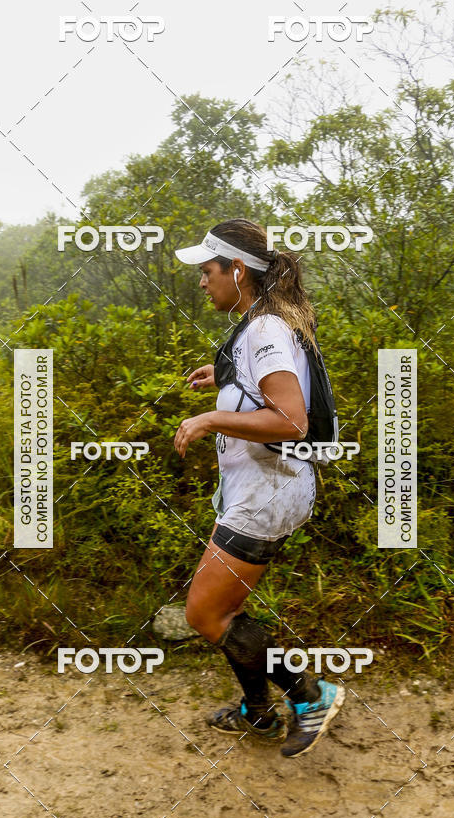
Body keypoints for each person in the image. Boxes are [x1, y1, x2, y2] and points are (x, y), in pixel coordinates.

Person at [173, 218, 345, 758]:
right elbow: (264, 388)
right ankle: (256, 712)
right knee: (224, 612)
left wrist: (209, 420)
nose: (202, 282)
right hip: (259, 491)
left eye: (207, 271)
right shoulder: (258, 326)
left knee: (206, 614)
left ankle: (311, 694)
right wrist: (223, 378)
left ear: (237, 270)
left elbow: (290, 420)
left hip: (268, 494)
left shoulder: (265, 329)